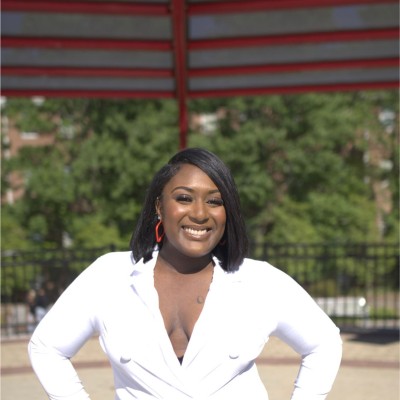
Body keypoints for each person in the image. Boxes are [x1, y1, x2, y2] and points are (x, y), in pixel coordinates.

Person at [28, 148, 342, 400]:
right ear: (159, 207)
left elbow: (324, 343)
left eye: (215, 201)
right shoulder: (109, 276)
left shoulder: (259, 281)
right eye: (184, 198)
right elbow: (46, 348)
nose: (200, 213)